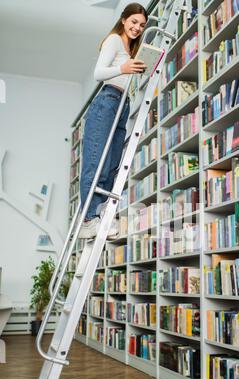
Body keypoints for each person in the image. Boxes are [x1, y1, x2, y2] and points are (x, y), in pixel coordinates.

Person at [79, 3, 148, 239]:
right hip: (107, 100)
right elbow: (99, 73)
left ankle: (99, 215)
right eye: (134, 22)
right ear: (123, 20)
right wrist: (123, 67)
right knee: (96, 162)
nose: (137, 28)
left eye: (141, 25)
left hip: (122, 104)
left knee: (111, 167)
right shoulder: (114, 41)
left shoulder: (131, 49)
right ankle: (88, 219)